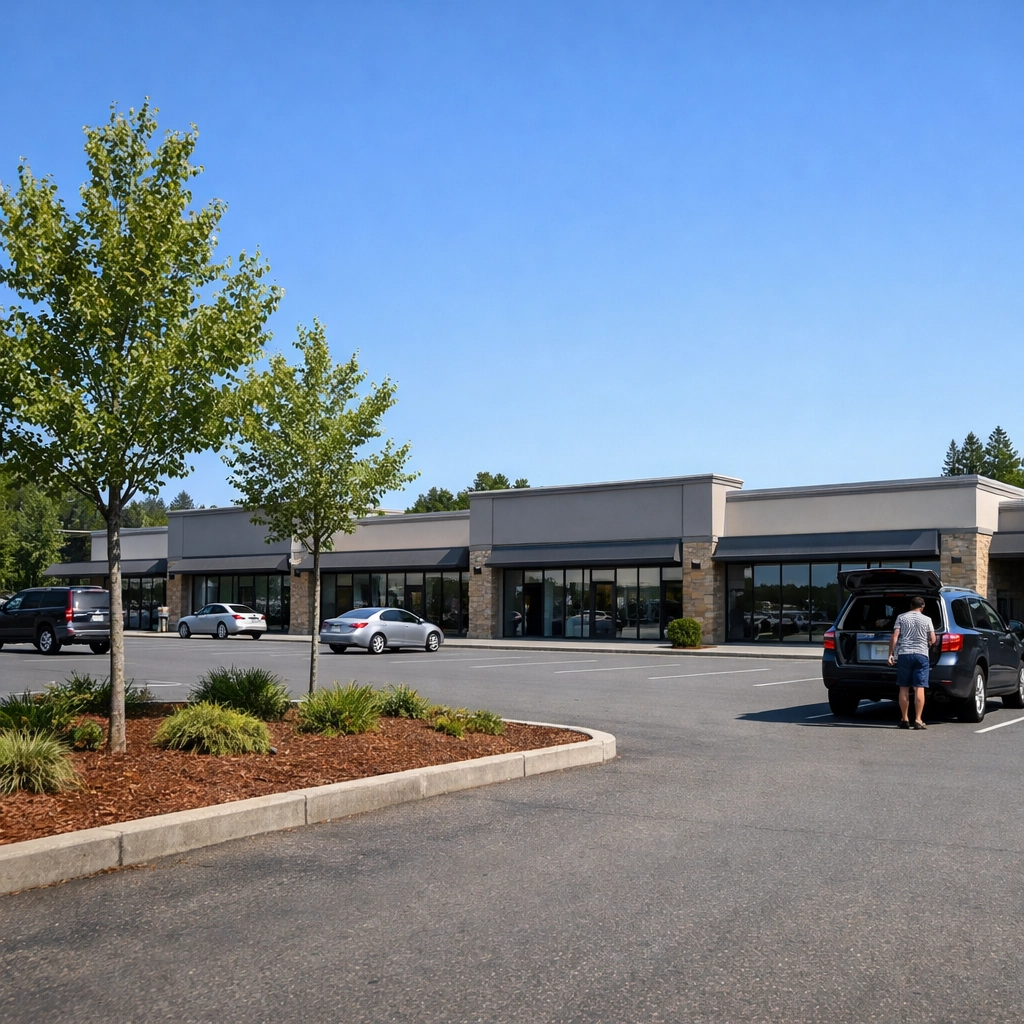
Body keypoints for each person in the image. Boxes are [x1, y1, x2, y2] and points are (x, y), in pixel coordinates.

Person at [888, 596, 936, 730]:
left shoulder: (901, 617)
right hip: (921, 655)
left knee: (903, 687)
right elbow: (933, 639)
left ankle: (904, 719)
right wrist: (928, 643)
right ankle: (918, 720)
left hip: (904, 654)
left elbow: (895, 636)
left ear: (910, 605)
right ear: (923, 606)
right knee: (919, 687)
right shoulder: (927, 619)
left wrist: (891, 654)